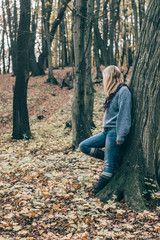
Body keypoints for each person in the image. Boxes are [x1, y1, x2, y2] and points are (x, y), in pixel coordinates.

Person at [79, 65, 132, 195]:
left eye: (104, 77)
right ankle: (114, 161)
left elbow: (124, 115)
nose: (103, 80)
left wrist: (121, 136)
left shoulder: (123, 91)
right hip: (107, 132)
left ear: (110, 77)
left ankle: (95, 193)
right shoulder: (113, 94)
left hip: (115, 132)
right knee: (84, 146)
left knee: (108, 168)